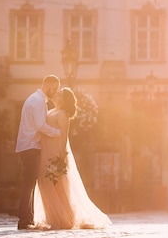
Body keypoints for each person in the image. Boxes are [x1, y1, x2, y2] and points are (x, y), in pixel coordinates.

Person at [34, 87, 112, 230]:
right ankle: (52, 217)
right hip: (45, 151)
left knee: (59, 186)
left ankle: (65, 218)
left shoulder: (63, 114)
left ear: (63, 99)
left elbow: (64, 136)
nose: (55, 94)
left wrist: (60, 157)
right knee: (46, 185)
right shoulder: (51, 111)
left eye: (59, 94)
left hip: (55, 153)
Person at [15, 75, 62, 230]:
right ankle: (24, 219)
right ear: (47, 85)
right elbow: (40, 125)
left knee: (29, 183)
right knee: (28, 183)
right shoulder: (39, 101)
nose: (55, 92)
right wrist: (58, 132)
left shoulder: (34, 98)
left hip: (28, 146)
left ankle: (27, 218)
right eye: (54, 88)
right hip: (30, 147)